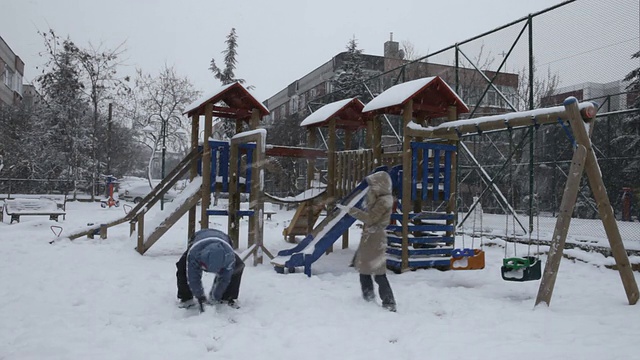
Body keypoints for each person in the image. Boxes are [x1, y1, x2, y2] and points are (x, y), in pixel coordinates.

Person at [338, 171, 397, 312]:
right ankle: (368, 299)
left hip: (376, 238)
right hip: (370, 236)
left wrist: (351, 211)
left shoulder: (384, 201)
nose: (371, 188)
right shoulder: (379, 198)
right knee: (365, 269)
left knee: (378, 271)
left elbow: (371, 218)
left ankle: (388, 302)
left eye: (373, 185)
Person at [175, 228, 245, 312]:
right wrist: (200, 297)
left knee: (238, 266)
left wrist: (215, 297)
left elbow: (224, 279)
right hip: (199, 239)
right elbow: (193, 277)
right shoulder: (194, 253)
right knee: (182, 266)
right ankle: (186, 298)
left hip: (223, 240)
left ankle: (227, 297)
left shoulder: (228, 257)